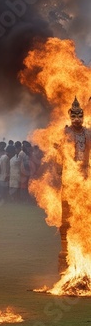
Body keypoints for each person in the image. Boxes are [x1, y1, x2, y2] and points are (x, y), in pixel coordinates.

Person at [57, 97, 90, 274]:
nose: (77, 120)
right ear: (70, 118)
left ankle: (85, 254)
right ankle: (66, 256)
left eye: (80, 116)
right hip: (69, 179)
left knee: (85, 217)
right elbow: (59, 156)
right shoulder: (66, 133)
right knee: (67, 220)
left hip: (85, 179)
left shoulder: (88, 133)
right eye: (74, 117)